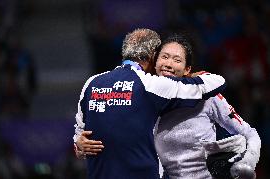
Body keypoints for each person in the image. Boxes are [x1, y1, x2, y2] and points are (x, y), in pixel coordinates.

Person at [78, 33, 261, 179]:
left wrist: (246, 163)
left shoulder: (208, 97)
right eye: (164, 57)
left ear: (188, 69)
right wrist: (79, 143)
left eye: (177, 60)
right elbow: (117, 134)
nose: (169, 64)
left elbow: (250, 133)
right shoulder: (146, 97)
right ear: (154, 61)